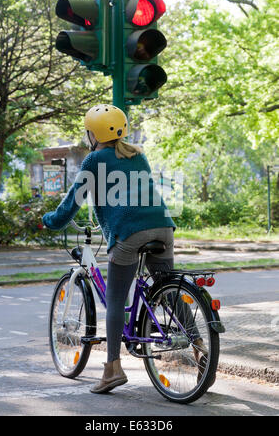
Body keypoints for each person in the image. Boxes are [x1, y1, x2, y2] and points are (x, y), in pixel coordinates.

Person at [43, 104, 204, 394]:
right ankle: (200, 346)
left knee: (116, 299)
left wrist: (50, 222)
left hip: (129, 233)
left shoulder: (94, 160)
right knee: (167, 287)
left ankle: (112, 369)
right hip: (163, 227)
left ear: (94, 133)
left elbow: (72, 203)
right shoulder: (138, 155)